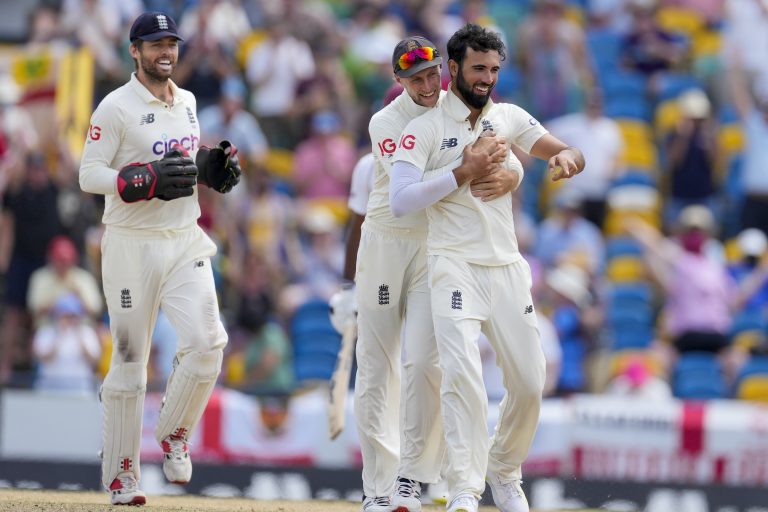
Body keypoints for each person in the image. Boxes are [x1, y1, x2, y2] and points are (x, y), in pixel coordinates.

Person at [389, 24, 584, 512]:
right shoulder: (425, 128)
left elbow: (562, 147)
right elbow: (400, 201)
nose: (487, 78)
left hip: (506, 267)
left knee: (528, 382)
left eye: (494, 70)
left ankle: (503, 470)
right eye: (478, 68)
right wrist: (464, 172)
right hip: (452, 265)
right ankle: (464, 488)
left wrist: (566, 157)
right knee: (463, 376)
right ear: (453, 68)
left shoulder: (509, 116)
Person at [330, 36, 517, 512]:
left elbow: (507, 150)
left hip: (435, 246)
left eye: (435, 74)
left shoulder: (464, 107)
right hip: (387, 244)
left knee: (426, 365)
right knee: (377, 368)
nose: (430, 85)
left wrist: (510, 172)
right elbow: (405, 195)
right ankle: (378, 487)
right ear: (399, 81)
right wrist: (350, 282)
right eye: (417, 79)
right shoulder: (385, 123)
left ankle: (414, 477)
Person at [78, 11, 242, 506]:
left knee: (209, 343)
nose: (164, 52)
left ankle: (173, 433)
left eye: (170, 43)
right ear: (135, 50)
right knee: (130, 363)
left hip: (185, 238)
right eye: (154, 45)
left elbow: (181, 161)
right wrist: (137, 180)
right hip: (131, 245)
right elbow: (89, 175)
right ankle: (123, 475)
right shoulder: (114, 106)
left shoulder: (189, 102)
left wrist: (209, 166)